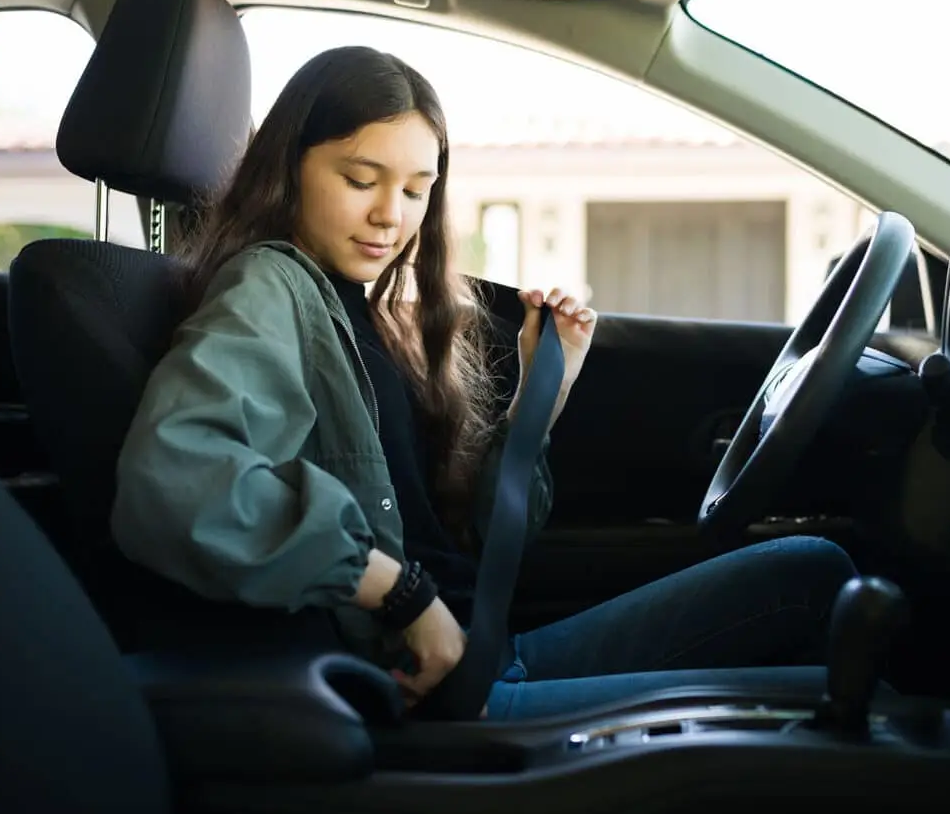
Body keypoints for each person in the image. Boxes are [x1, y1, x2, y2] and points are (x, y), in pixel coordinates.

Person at [111, 45, 857, 722]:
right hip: (448, 696)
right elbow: (177, 480)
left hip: (487, 648)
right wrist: (399, 593)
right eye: (359, 179)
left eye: (415, 189)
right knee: (834, 663)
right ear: (289, 167)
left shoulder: (357, 308)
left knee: (812, 574)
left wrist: (544, 392)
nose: (389, 216)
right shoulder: (269, 288)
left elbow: (465, 539)